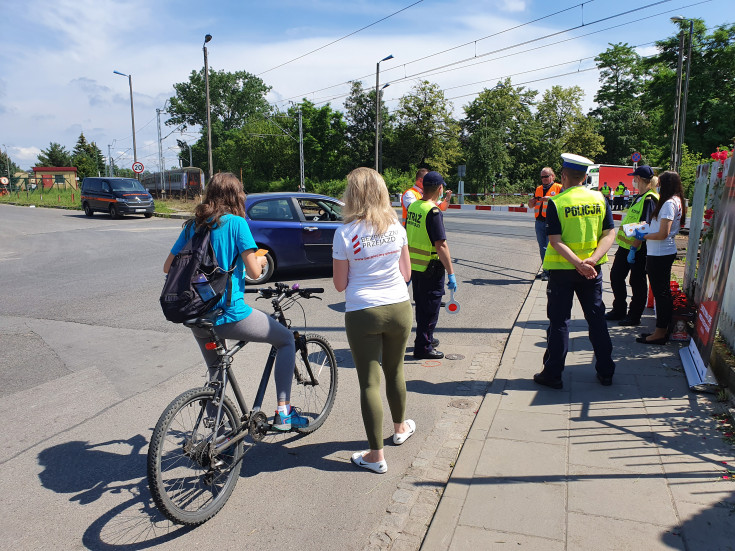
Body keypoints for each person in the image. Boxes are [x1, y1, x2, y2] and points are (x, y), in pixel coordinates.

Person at [163, 172, 307, 431]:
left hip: (195, 315)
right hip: (228, 314)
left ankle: (217, 437)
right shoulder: (236, 224)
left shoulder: (192, 225)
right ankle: (284, 412)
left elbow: (168, 267)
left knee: (216, 374)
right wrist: (261, 260)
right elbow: (254, 273)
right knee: (286, 340)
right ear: (235, 195)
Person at [332, 167, 415, 474]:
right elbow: (406, 274)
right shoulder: (397, 225)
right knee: (396, 370)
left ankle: (376, 455)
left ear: (352, 195)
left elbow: (340, 285)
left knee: (369, 382)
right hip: (399, 307)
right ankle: (400, 428)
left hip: (362, 311)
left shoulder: (344, 234)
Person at [533, 153, 616, 389]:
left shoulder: (557, 202)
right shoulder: (600, 199)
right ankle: (606, 371)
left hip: (562, 271)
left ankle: (553, 374)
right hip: (592, 270)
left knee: (559, 323)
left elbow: (555, 240)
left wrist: (577, 263)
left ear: (563, 176)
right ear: (585, 176)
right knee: (597, 319)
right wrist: (592, 260)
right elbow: (609, 233)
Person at [406, 171, 457, 360]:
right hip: (431, 267)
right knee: (430, 308)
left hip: (416, 267)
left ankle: (425, 337)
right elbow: (441, 245)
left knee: (421, 306)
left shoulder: (414, 207)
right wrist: (451, 272)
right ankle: (424, 347)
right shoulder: (433, 211)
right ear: (440, 188)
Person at [634, 170, 687, 344]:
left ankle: (660, 333)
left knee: (661, 294)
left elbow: (663, 233)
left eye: (660, 184)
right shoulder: (675, 201)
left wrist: (645, 236)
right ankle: (660, 330)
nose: (658, 187)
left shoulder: (669, 204)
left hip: (660, 252)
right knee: (661, 293)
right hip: (660, 252)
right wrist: (647, 227)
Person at [605, 166, 659, 326]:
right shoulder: (639, 197)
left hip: (639, 248)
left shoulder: (650, 199)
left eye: (634, 177)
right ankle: (619, 310)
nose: (633, 180)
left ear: (640, 179)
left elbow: (645, 226)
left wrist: (634, 249)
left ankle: (634, 316)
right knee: (616, 276)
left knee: (637, 282)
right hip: (626, 247)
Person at [528, 167, 563, 281]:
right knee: (542, 247)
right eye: (542, 177)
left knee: (550, 247)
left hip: (552, 222)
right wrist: (530, 203)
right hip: (539, 222)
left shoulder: (559, 187)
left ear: (553, 176)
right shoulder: (538, 188)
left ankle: (552, 271)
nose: (544, 179)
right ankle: (546, 270)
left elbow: (564, 202)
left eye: (546, 176)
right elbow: (531, 205)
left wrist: (552, 199)